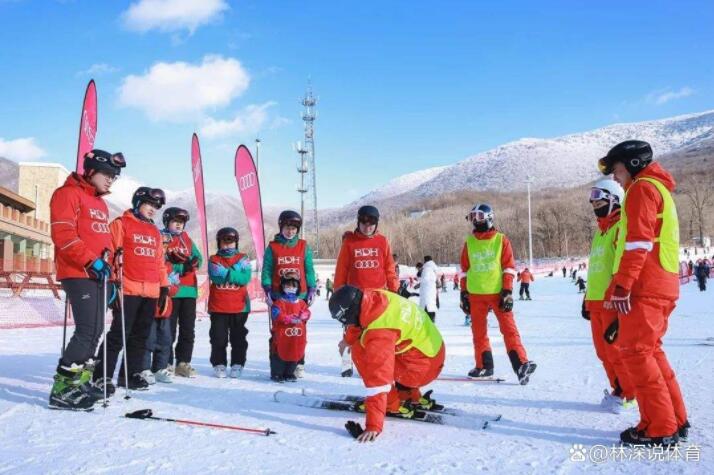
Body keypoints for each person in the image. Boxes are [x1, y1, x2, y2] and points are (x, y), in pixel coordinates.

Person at [599, 139, 689, 447]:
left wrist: (623, 286)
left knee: (637, 354)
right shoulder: (658, 188)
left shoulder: (641, 189)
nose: (614, 177)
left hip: (646, 286)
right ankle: (676, 418)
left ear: (633, 165)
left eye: (617, 169)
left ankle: (660, 427)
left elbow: (638, 243)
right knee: (652, 353)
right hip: (660, 285)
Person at [48, 150, 125, 410]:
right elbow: (63, 234)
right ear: (91, 170)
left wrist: (111, 273)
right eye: (108, 175)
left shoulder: (101, 204)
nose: (111, 181)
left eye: (114, 177)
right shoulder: (66, 194)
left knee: (96, 330)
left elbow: (105, 243)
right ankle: (62, 389)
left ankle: (79, 381)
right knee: (87, 330)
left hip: (99, 275)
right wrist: (91, 260)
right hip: (77, 271)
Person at [330, 286, 445, 442]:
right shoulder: (373, 297)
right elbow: (362, 321)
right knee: (362, 342)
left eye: (346, 321)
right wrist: (347, 340)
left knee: (363, 351)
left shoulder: (380, 332)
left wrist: (373, 425)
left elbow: (378, 379)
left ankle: (392, 404)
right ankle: (408, 392)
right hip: (430, 355)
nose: (347, 324)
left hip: (423, 368)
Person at [94, 187, 169, 391]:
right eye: (149, 204)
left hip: (151, 290)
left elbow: (159, 261)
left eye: (156, 207)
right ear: (137, 202)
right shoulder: (121, 223)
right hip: (127, 288)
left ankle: (130, 375)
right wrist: (112, 283)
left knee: (140, 336)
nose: (153, 209)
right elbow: (109, 254)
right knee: (118, 334)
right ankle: (102, 376)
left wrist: (164, 287)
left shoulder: (155, 231)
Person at [460, 203, 536, 384]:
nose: (474, 221)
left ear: (488, 217)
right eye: (472, 217)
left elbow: (509, 267)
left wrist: (508, 291)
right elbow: (464, 270)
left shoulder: (501, 240)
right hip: (476, 294)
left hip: (498, 293)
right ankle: (484, 366)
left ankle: (521, 365)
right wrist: (463, 293)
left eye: (478, 216)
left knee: (509, 330)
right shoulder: (469, 242)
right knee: (479, 333)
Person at [582, 179, 637, 414]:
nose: (595, 205)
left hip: (611, 302)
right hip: (595, 302)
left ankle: (629, 395)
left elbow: (619, 269)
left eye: (599, 200)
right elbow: (596, 268)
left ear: (614, 200)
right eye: (593, 201)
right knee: (603, 353)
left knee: (616, 352)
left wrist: (614, 300)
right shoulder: (600, 232)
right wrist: (586, 298)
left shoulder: (619, 229)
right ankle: (617, 390)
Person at [333, 205, 399, 376]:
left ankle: (371, 364)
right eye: (363, 223)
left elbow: (389, 269)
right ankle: (347, 365)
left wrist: (394, 292)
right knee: (351, 332)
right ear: (358, 222)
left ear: (376, 224)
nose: (367, 227)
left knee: (375, 334)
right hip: (354, 297)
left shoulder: (382, 241)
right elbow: (342, 270)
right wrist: (338, 295)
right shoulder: (350, 242)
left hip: (378, 298)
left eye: (371, 224)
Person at [261, 210, 317, 378]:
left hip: (299, 296)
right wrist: (267, 288)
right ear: (281, 227)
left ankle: (298, 363)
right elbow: (267, 269)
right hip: (279, 296)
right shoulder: (273, 247)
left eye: (294, 228)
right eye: (287, 227)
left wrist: (312, 287)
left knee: (299, 331)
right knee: (279, 332)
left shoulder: (303, 246)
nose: (290, 231)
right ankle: (278, 364)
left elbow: (309, 269)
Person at [162, 207, 203, 378]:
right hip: (172, 291)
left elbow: (198, 259)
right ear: (167, 222)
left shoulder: (187, 238)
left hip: (189, 291)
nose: (179, 225)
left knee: (188, 329)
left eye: (181, 223)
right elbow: (161, 262)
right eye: (175, 222)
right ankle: (166, 362)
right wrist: (181, 266)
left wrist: (192, 263)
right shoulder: (162, 238)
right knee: (168, 330)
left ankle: (183, 363)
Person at [207, 227, 252, 378]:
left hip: (239, 307)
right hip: (219, 307)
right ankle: (219, 363)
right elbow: (216, 277)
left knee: (238, 338)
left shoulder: (243, 258)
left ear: (236, 243)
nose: (227, 245)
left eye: (230, 242)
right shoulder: (214, 259)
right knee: (218, 337)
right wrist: (235, 271)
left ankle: (237, 363)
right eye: (224, 243)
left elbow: (244, 279)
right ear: (219, 243)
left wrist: (226, 272)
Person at [142, 231, 180, 385]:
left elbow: (176, 287)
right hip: (150, 307)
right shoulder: (148, 262)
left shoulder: (170, 265)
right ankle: (144, 367)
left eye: (165, 244)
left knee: (165, 340)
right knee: (148, 339)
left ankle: (160, 368)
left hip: (165, 309)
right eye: (161, 244)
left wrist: (169, 286)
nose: (163, 247)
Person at [270, 271, 311, 382]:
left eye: (293, 285)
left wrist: (304, 315)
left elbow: (307, 313)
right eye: (287, 285)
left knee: (295, 353)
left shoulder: (301, 303)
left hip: (297, 336)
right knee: (280, 354)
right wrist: (286, 318)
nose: (290, 287)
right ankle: (277, 373)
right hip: (282, 335)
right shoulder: (279, 303)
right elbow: (275, 313)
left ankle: (289, 372)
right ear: (282, 286)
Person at [418, 256, 438, 321]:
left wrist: (419, 279)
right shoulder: (433, 268)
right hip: (431, 291)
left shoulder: (427, 268)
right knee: (431, 308)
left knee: (427, 309)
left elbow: (424, 279)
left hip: (427, 293)